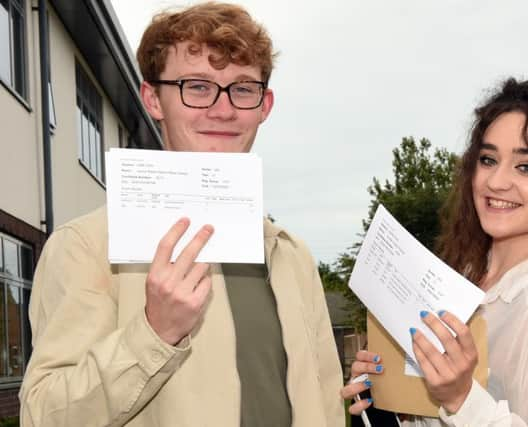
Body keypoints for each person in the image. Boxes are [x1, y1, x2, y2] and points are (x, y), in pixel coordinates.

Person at [19, 3, 344, 426]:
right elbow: (43, 415)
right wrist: (154, 333)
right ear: (153, 98)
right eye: (197, 86)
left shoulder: (291, 254)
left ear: (265, 105)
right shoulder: (88, 246)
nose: (223, 109)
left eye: (243, 88)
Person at [341, 78, 528, 426]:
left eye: (526, 166)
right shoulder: (464, 282)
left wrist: (461, 398)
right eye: (487, 159)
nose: (496, 181)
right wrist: (384, 402)